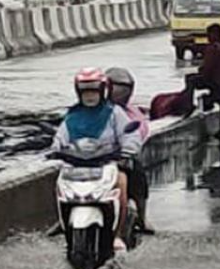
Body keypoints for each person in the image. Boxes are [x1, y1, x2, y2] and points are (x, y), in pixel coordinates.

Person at [52, 68, 143, 252]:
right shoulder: (72, 116)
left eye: (93, 91)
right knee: (58, 185)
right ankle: (63, 224)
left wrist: (127, 150)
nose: (90, 96)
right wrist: (54, 149)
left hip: (108, 165)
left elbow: (130, 135)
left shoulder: (114, 113)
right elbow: (60, 137)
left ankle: (117, 235)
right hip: (77, 167)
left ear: (102, 91)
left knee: (122, 183)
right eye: (86, 91)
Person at [106, 66, 153, 231]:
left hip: (120, 158)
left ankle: (142, 217)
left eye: (124, 89)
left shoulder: (128, 112)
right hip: (93, 158)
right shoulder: (90, 109)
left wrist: (127, 151)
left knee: (138, 177)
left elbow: (138, 132)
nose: (120, 93)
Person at [186, 23, 220, 141]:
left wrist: (201, 72)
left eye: (209, 34)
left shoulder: (212, 48)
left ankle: (189, 105)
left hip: (212, 80)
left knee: (190, 80)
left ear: (215, 35)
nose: (208, 37)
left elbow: (207, 68)